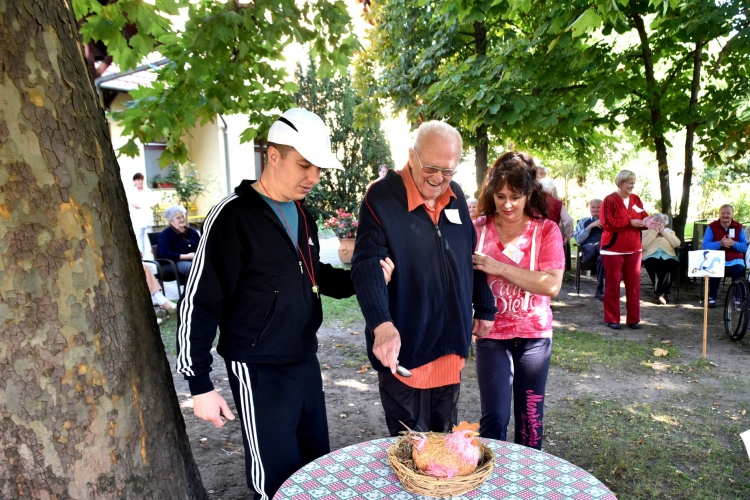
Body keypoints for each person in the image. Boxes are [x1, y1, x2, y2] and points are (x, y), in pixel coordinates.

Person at [176, 108, 394, 500]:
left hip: (304, 359)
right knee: (274, 479)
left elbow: (315, 275)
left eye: (319, 168)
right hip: (258, 367)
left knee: (314, 467)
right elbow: (199, 300)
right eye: (304, 165)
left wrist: (367, 279)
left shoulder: (302, 214)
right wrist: (199, 384)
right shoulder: (231, 217)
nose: (313, 177)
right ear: (272, 156)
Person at [351, 120, 496, 437]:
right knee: (411, 449)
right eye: (432, 167)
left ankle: (441, 490)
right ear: (411, 157)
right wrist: (381, 324)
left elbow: (468, 251)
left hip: (449, 345)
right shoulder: (382, 197)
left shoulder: (454, 193)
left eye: (449, 171)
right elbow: (366, 264)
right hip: (406, 348)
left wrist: (484, 304)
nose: (439, 179)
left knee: (444, 444)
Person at [471, 152, 564, 450]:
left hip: (534, 336)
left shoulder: (545, 230)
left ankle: (526, 485)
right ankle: (490, 483)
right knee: (494, 418)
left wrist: (498, 268)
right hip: (491, 335)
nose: (507, 204)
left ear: (529, 193)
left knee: (530, 421)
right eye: (500, 196)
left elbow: (551, 284)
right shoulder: (477, 229)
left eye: (515, 196)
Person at [600, 170, 649, 329]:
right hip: (613, 250)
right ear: (620, 183)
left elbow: (643, 217)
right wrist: (630, 222)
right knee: (613, 285)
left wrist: (651, 221)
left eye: (633, 182)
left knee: (634, 285)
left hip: (634, 249)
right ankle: (612, 319)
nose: (632, 185)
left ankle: (633, 319)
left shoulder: (636, 199)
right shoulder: (609, 200)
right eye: (629, 182)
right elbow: (608, 223)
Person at [702, 204, 748, 308]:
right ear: (719, 214)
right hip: (717, 259)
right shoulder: (712, 226)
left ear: (732, 214)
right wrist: (720, 244)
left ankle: (737, 298)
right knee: (714, 269)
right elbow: (705, 246)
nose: (725, 215)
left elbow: (745, 247)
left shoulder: (739, 227)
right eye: (723, 213)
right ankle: (712, 298)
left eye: (728, 213)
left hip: (735, 260)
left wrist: (733, 244)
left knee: (739, 270)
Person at [642, 213, 681, 305]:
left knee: (670, 265)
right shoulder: (645, 232)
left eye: (661, 222)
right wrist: (654, 232)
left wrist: (663, 232)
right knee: (653, 265)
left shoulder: (669, 232)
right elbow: (643, 245)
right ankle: (662, 295)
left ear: (664, 224)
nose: (658, 223)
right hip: (651, 255)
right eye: (656, 221)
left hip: (668, 255)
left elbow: (676, 244)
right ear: (651, 222)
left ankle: (660, 294)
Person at [157, 205, 201, 284]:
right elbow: (163, 253)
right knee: (194, 269)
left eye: (183, 216)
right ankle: (193, 293)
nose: (182, 219)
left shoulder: (192, 232)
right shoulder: (166, 234)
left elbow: (201, 247)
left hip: (194, 260)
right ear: (171, 221)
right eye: (178, 218)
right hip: (173, 263)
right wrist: (187, 256)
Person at [574, 199, 605, 300]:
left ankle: (600, 291)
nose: (595, 210)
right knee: (601, 244)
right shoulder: (584, 221)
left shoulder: (608, 222)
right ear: (590, 208)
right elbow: (578, 239)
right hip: (588, 251)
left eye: (598, 207)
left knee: (602, 258)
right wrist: (590, 226)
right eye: (593, 207)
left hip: (603, 252)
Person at [128, 172, 157, 258]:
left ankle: (149, 256)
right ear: (134, 181)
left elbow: (153, 202)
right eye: (138, 180)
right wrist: (145, 206)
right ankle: (140, 256)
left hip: (147, 217)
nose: (140, 181)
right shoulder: (132, 192)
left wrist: (146, 206)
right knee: (139, 238)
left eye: (141, 179)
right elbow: (134, 204)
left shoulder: (148, 191)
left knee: (148, 237)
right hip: (138, 218)